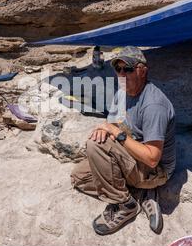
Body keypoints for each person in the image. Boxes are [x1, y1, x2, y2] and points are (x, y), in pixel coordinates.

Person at [71, 46, 176, 235]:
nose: (121, 74)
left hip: (154, 170)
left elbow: (153, 158)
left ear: (142, 70)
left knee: (95, 146)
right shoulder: (122, 93)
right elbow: (112, 123)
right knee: (79, 177)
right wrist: (106, 129)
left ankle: (124, 205)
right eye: (118, 69)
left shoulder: (153, 105)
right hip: (131, 157)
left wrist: (116, 134)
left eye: (127, 69)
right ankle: (139, 194)